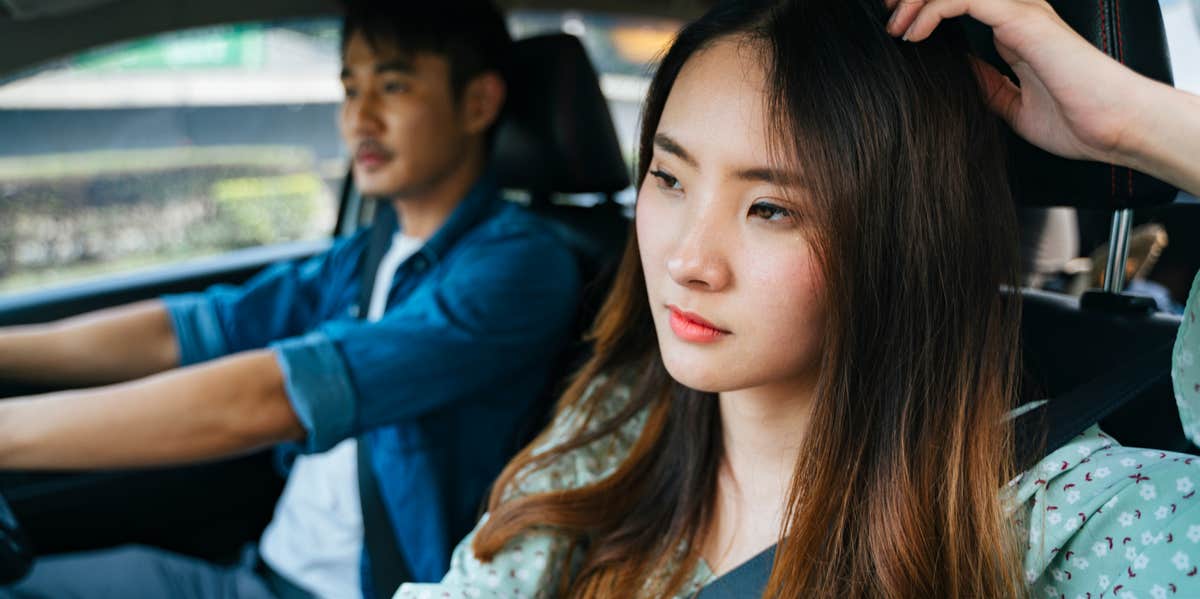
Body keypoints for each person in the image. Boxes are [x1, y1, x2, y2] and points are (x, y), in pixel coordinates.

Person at [392, 0, 1200, 598]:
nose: (685, 258)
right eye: (669, 178)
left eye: (770, 208)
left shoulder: (1072, 520)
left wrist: (1134, 126)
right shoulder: (620, 424)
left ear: (899, 238)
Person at [0, 1, 581, 598]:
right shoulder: (365, 253)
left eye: (393, 86)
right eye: (350, 89)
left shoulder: (520, 270)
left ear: (479, 103)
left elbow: (275, 396)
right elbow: (190, 329)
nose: (360, 118)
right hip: (259, 574)